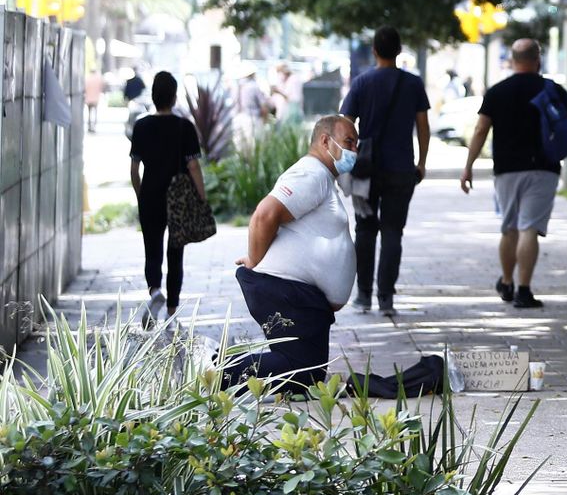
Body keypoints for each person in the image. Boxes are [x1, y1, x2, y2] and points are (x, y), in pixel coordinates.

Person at [227, 115, 358, 387]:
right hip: (286, 292)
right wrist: (254, 261)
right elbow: (265, 216)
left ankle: (220, 368)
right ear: (325, 140)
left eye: (356, 145)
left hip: (303, 299)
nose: (354, 151)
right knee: (300, 369)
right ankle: (215, 373)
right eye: (349, 142)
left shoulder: (321, 176)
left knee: (309, 371)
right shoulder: (311, 173)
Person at [461, 38, 567, 310]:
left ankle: (507, 281)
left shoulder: (498, 91)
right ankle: (524, 290)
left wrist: (469, 166)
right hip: (544, 167)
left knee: (510, 227)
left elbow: (480, 130)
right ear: (538, 59)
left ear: (512, 60)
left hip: (507, 169)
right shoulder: (552, 89)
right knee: (530, 229)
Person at [340, 27, 430, 316]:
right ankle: (386, 298)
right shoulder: (413, 84)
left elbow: (345, 124)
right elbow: (423, 126)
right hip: (402, 168)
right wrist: (422, 162)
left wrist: (350, 156)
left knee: (365, 230)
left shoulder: (362, 82)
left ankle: (363, 295)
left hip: (366, 171)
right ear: (399, 50)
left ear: (375, 51)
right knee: (393, 232)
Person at [129, 71, 204, 323]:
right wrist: (201, 197)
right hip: (179, 198)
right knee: (176, 254)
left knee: (152, 250)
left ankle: (155, 291)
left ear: (153, 95)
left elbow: (134, 169)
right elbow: (193, 166)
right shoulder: (185, 127)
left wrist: (141, 195)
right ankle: (172, 310)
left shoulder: (141, 126)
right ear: (174, 97)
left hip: (150, 194)